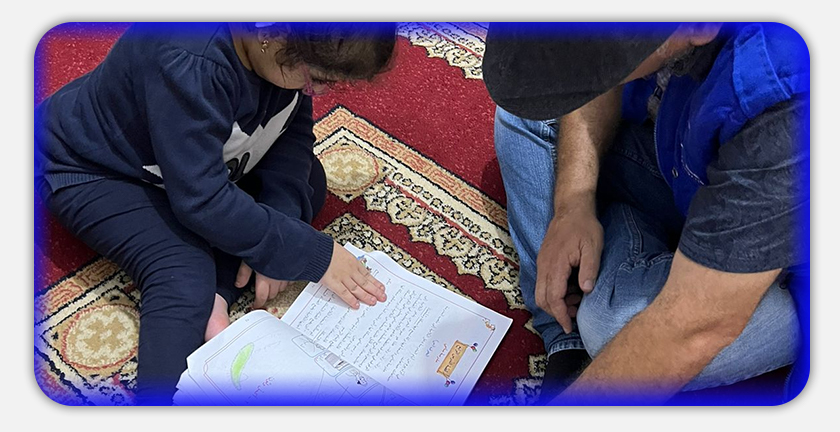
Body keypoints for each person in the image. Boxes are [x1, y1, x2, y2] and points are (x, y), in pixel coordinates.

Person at [35, 22, 396, 405]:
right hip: (93, 171)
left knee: (306, 183)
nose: (319, 91)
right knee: (183, 272)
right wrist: (309, 253)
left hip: (186, 168)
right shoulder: (188, 58)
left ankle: (218, 296)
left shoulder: (280, 48)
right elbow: (202, 202)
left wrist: (283, 223)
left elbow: (290, 133)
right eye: (317, 80)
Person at [483, 22, 809, 404]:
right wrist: (573, 203)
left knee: (611, 323)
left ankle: (601, 278)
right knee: (534, 111)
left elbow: (696, 326)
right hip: (685, 162)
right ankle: (567, 340)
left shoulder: (785, 98)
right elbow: (593, 75)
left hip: (785, 266)